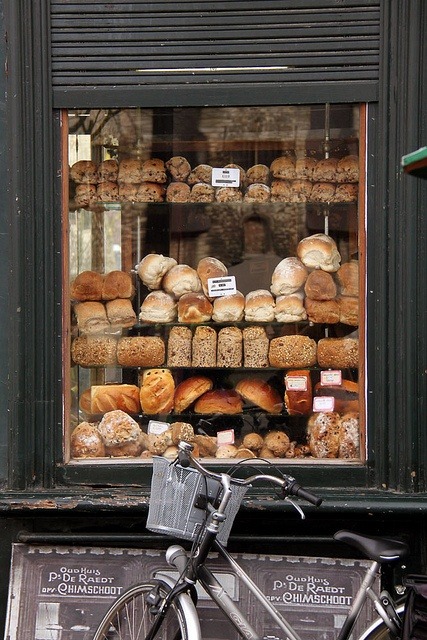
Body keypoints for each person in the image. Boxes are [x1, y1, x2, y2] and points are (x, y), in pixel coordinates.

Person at [228, 214, 282, 296]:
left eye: (258, 231)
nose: (255, 237)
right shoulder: (233, 271)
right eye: (250, 232)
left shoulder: (279, 266)